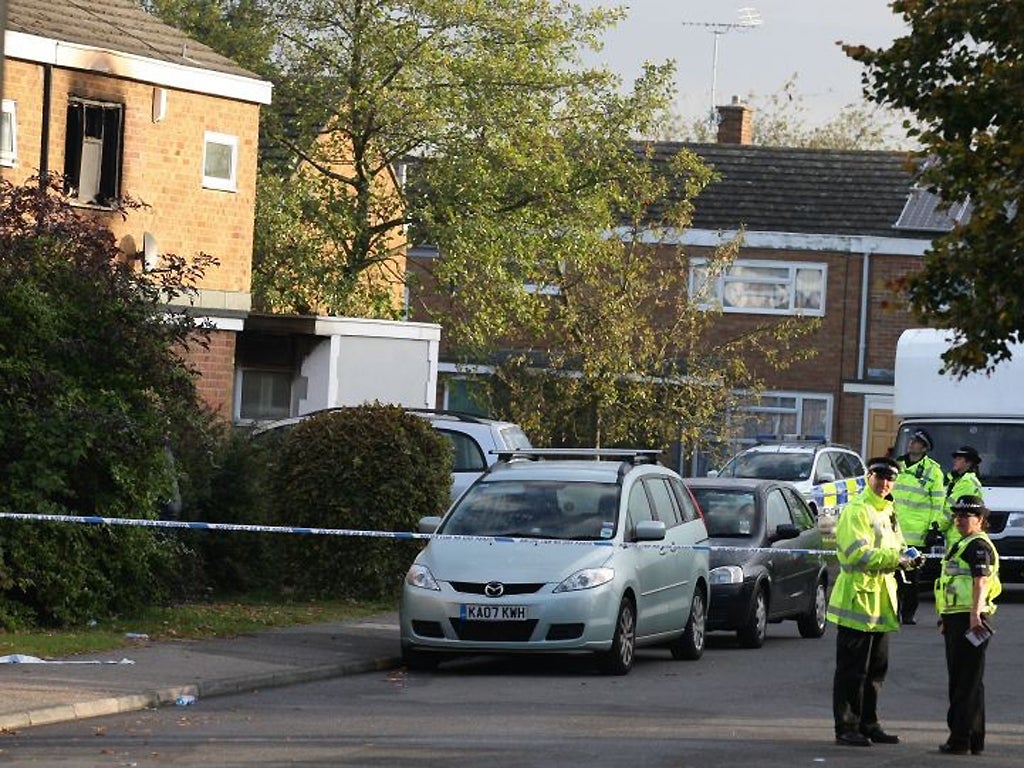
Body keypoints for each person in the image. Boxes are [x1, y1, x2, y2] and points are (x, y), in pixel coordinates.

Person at [827, 457, 922, 747]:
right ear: (869, 477)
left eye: (890, 479)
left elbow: (896, 546)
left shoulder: (888, 509)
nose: (885, 484)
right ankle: (846, 727)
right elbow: (857, 555)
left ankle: (869, 723)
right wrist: (898, 559)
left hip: (881, 599)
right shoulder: (857, 510)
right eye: (879, 478)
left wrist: (910, 557)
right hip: (857, 600)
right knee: (852, 671)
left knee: (876, 671)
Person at [935, 495, 1001, 755]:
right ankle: (973, 738)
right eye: (957, 515)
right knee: (970, 680)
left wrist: (974, 616)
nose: (959, 520)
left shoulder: (977, 546)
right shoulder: (963, 543)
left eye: (966, 516)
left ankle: (960, 739)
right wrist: (944, 618)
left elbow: (980, 582)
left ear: (981, 520)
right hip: (957, 616)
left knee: (964, 682)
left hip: (969, 618)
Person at [892, 428, 945, 624]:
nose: (911, 444)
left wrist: (933, 527)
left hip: (916, 535)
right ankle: (893, 611)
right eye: (911, 440)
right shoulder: (897, 465)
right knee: (893, 575)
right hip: (893, 532)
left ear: (924, 447)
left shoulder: (933, 471)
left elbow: (938, 502)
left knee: (911, 577)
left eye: (915, 442)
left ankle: (908, 614)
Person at [941, 446, 985, 546]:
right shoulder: (958, 480)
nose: (955, 461)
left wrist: (937, 528)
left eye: (959, 459)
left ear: (968, 463)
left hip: (959, 534)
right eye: (955, 458)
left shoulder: (966, 482)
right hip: (958, 533)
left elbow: (951, 509)